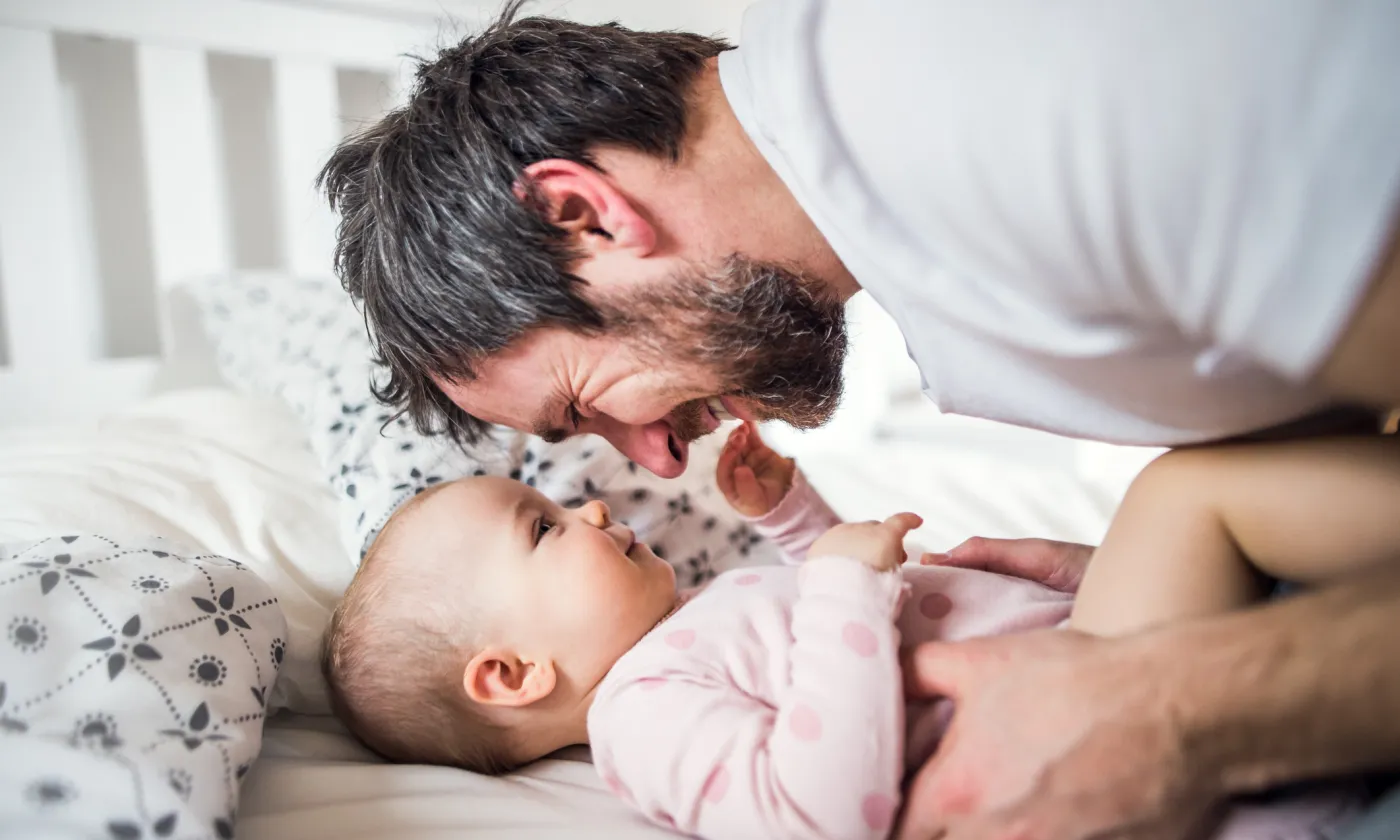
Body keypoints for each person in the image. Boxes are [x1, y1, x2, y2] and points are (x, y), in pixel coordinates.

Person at [318, 2, 1400, 836]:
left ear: (583, 214)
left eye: (582, 404)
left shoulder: (1017, 118)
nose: (648, 461)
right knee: (1191, 493)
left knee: (1186, 492)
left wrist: (1182, 699)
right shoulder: (646, 706)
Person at [323, 423, 1397, 838]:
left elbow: (843, 643)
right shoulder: (640, 721)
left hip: (1131, 658)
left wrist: (798, 523)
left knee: (1232, 483)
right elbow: (819, 804)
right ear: (510, 675)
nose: (593, 509)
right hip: (1098, 711)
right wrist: (838, 587)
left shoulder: (693, 625)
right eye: (544, 531)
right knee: (1185, 491)